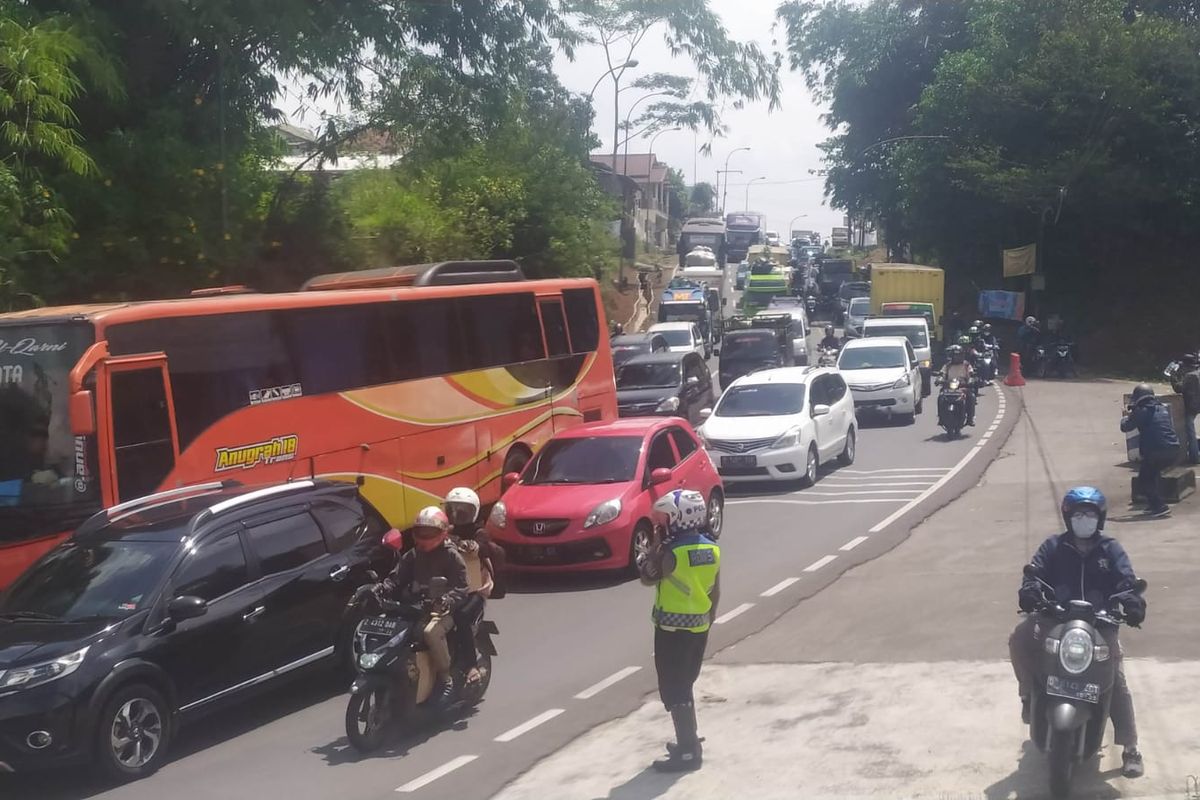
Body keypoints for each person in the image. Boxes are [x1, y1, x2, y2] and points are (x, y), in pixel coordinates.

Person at [1009, 487, 1146, 779]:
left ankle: (1131, 746)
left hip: (1101, 623)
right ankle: (1027, 697)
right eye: (1078, 514)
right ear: (1068, 517)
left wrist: (1132, 603)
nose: (1084, 519)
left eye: (1090, 514)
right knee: (1019, 638)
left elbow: (1126, 580)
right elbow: (1034, 572)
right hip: (1055, 618)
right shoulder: (1054, 546)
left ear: (1100, 518)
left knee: (1115, 682)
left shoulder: (1111, 549)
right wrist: (1030, 591)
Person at [639, 489, 721, 773]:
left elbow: (647, 578)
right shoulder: (712, 548)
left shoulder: (671, 552)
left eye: (666, 518)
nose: (663, 523)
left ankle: (687, 752)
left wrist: (655, 546)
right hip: (698, 626)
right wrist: (708, 620)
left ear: (678, 518)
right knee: (685, 683)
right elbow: (716, 592)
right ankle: (689, 740)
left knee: (674, 686)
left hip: (671, 629)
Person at [383, 506, 469, 707]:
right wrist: (382, 587)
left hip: (444, 611)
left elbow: (462, 587)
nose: (424, 537)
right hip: (417, 607)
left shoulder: (451, 555)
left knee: (430, 633)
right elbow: (396, 578)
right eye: (421, 532)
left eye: (429, 533)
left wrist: (447, 599)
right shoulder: (413, 555)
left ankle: (446, 679)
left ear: (443, 533)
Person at [443, 487, 503, 686]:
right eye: (453, 509)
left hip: (477, 588)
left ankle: (471, 666)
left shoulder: (480, 532)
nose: (457, 515)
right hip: (450, 587)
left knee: (461, 617)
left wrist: (470, 546)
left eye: (463, 511)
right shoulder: (443, 531)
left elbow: (480, 546)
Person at [1121, 384, 1181, 517]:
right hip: (1173, 449)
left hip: (1156, 451)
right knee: (1153, 474)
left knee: (1144, 479)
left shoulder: (1141, 411)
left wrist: (1127, 416)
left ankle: (1159, 506)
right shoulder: (1161, 409)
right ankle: (1153, 504)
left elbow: (1125, 427)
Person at [940, 345, 976, 426]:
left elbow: (971, 374)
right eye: (955, 355)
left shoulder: (966, 365)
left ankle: (970, 418)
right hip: (948, 388)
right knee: (940, 398)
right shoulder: (947, 365)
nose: (957, 357)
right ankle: (941, 418)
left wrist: (970, 380)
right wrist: (939, 379)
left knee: (971, 396)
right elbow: (942, 373)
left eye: (958, 355)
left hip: (963, 387)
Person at [1177, 353, 1200, 465]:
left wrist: (1172, 378)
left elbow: (1179, 388)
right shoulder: (1197, 373)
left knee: (1190, 432)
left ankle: (1194, 457)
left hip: (1192, 406)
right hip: (1197, 405)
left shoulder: (1189, 376)